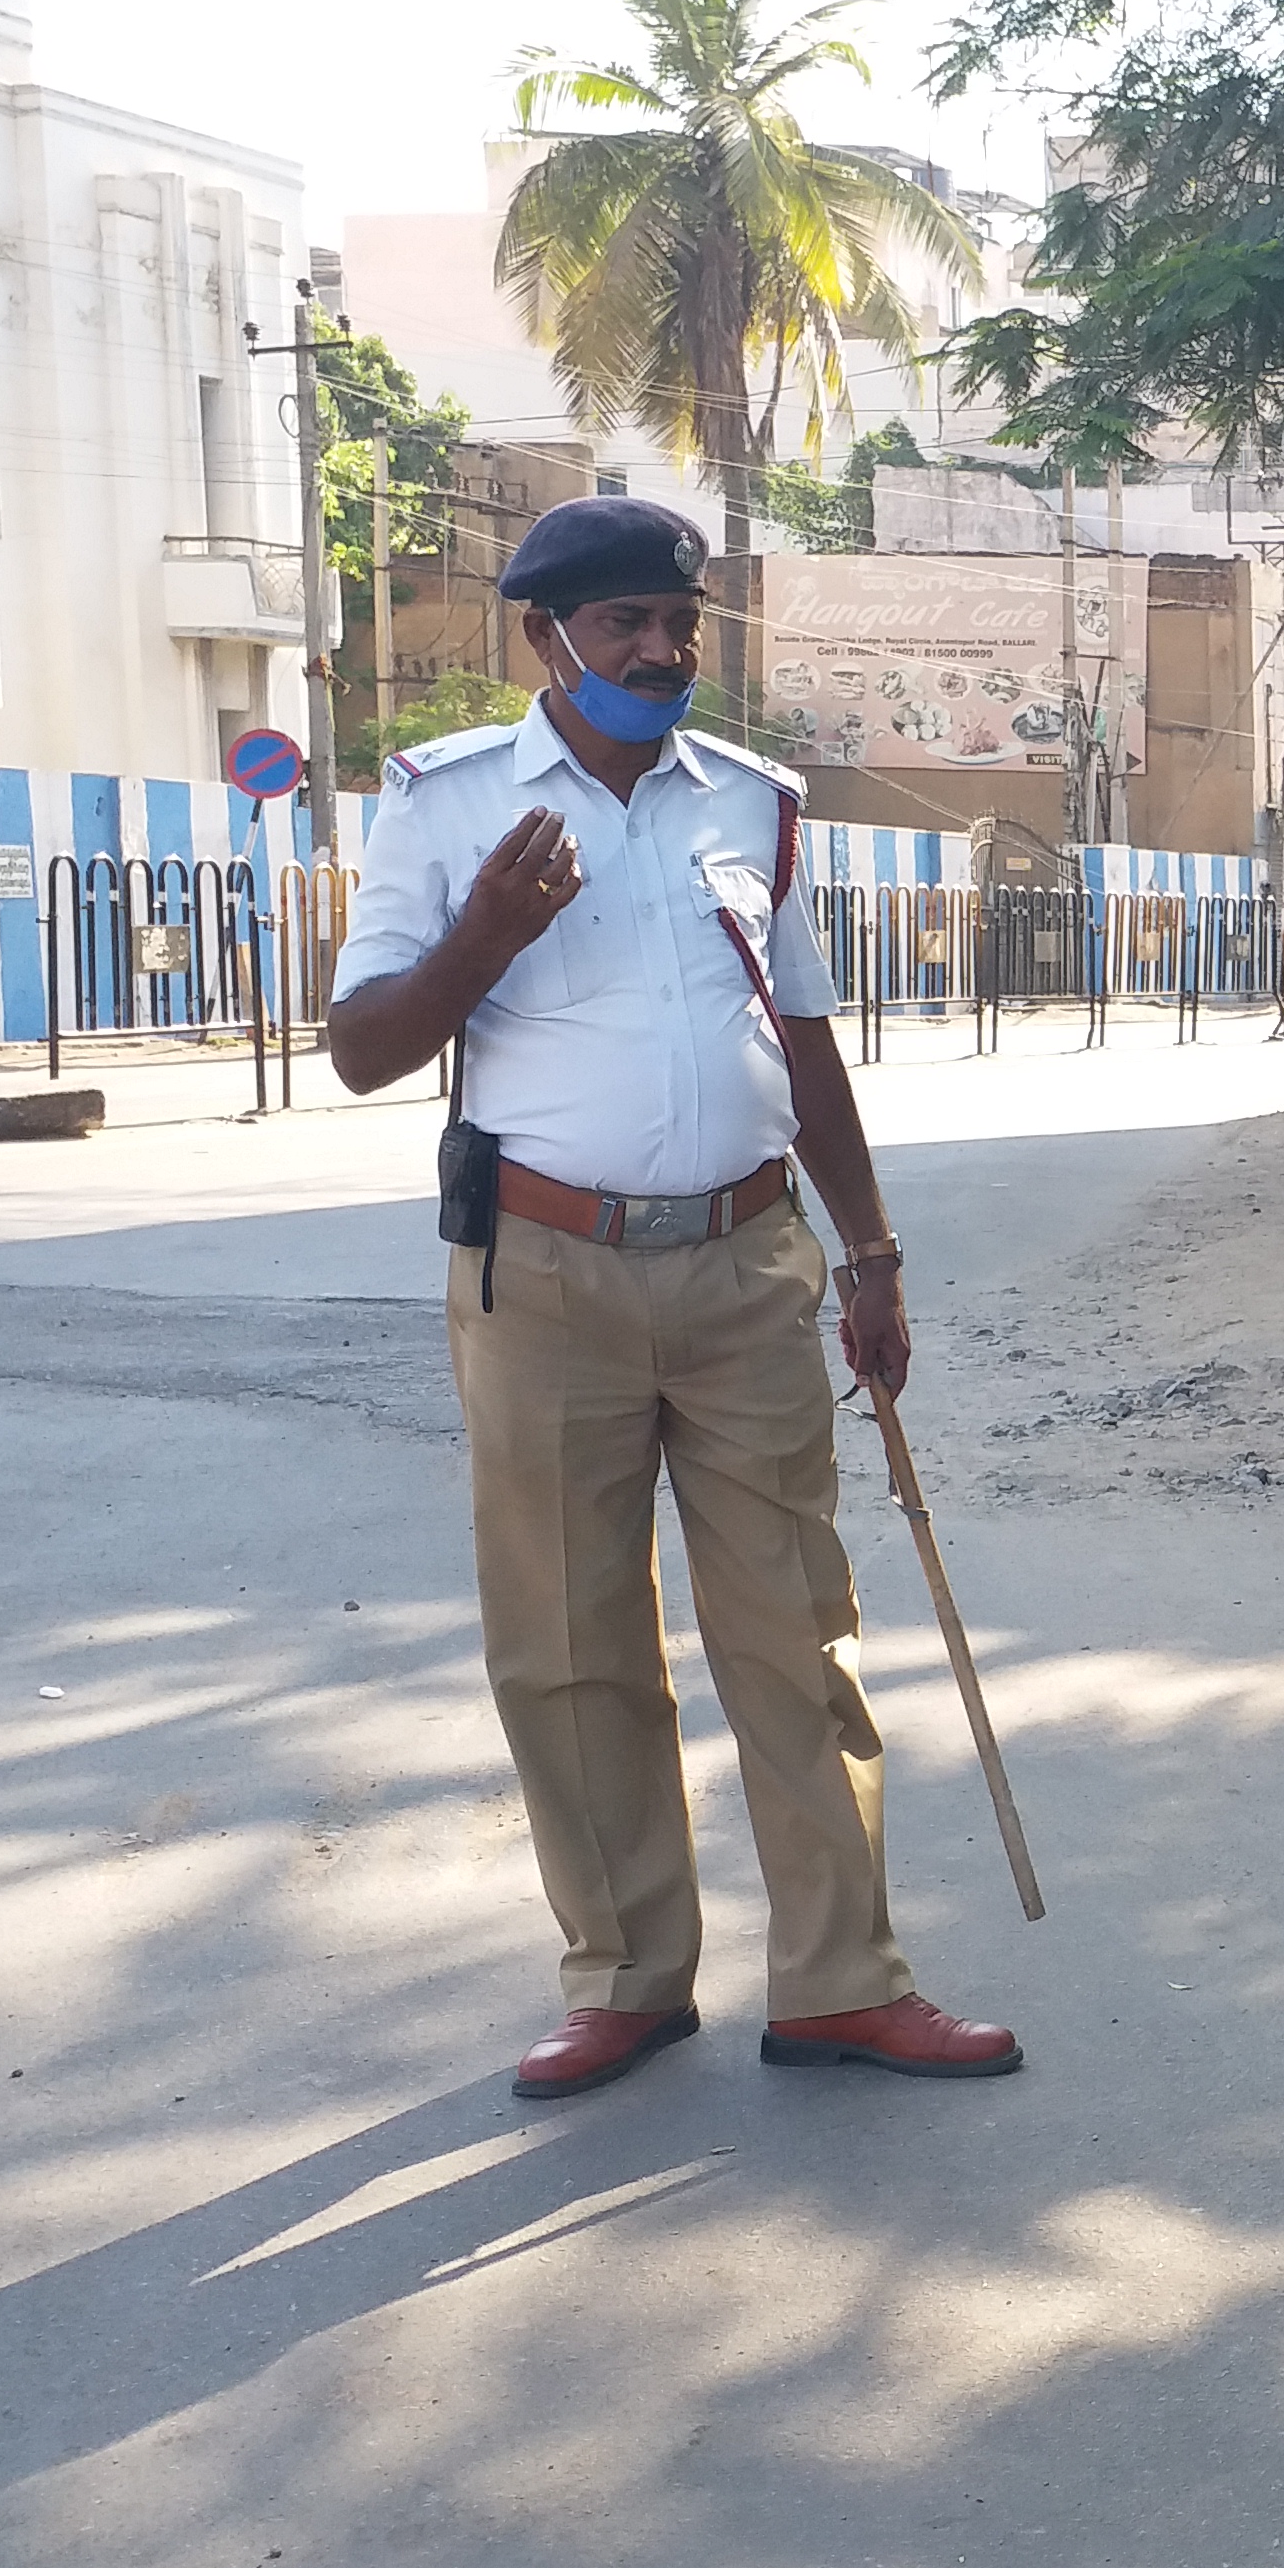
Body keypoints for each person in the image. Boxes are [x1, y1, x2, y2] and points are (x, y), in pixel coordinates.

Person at [326, 495, 1018, 2101]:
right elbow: (365, 1048)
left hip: (749, 1262)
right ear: (543, 639)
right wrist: (485, 936)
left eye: (680, 622)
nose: (662, 648)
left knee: (799, 1627)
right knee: (570, 1642)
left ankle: (844, 1982)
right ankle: (627, 1977)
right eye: (627, 622)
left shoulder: (756, 803)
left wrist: (874, 1254)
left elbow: (805, 1041)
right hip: (542, 1272)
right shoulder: (444, 804)